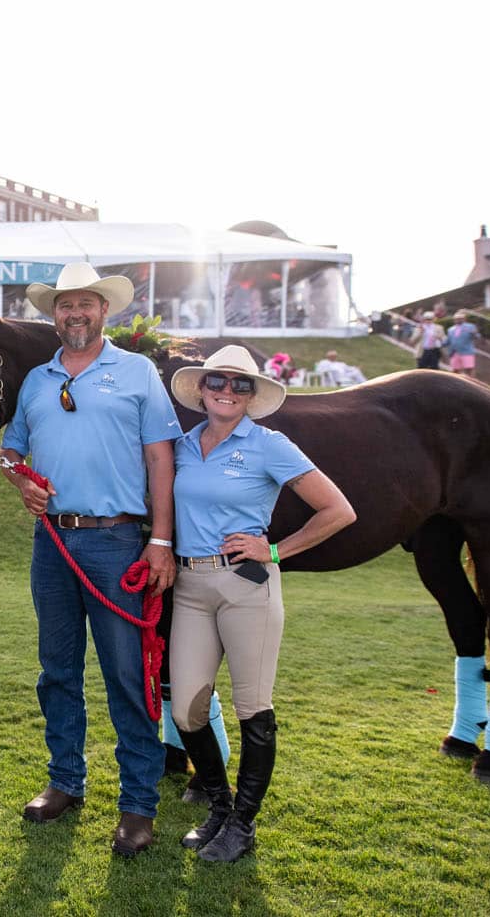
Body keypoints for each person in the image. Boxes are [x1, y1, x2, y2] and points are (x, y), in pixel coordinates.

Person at [0, 262, 180, 857]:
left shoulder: (136, 371)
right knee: (57, 670)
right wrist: (17, 480)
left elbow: (160, 461)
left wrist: (160, 541)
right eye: (64, 306)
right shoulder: (36, 379)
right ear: (54, 315)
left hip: (117, 542)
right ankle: (65, 782)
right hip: (52, 542)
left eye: (86, 304)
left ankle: (137, 805)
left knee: (128, 677)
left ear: (105, 310)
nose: (75, 314)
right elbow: (11, 451)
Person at [168, 346, 355, 861]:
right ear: (201, 390)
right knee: (187, 709)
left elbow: (338, 510)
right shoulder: (182, 446)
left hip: (247, 588)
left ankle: (243, 826)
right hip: (189, 588)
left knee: (253, 708)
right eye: (217, 382)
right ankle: (220, 808)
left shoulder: (270, 445)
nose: (227, 391)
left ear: (252, 396)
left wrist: (274, 549)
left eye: (240, 384)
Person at [445, 311, 479, 380]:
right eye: (457, 318)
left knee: (469, 369)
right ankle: (455, 384)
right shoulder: (450, 329)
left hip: (466, 351)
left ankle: (473, 384)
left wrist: (474, 334)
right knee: (455, 370)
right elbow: (448, 341)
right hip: (454, 352)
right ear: (454, 320)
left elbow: (477, 336)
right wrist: (439, 342)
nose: (458, 320)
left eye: (460, 318)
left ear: (464, 319)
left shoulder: (470, 326)